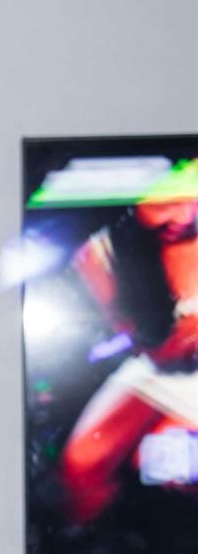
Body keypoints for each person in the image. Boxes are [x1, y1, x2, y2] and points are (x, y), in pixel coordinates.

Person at [61, 195, 198, 525]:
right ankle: (85, 545)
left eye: (190, 199)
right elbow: (140, 342)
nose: (183, 215)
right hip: (162, 367)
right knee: (80, 465)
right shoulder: (103, 253)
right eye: (165, 205)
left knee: (166, 460)